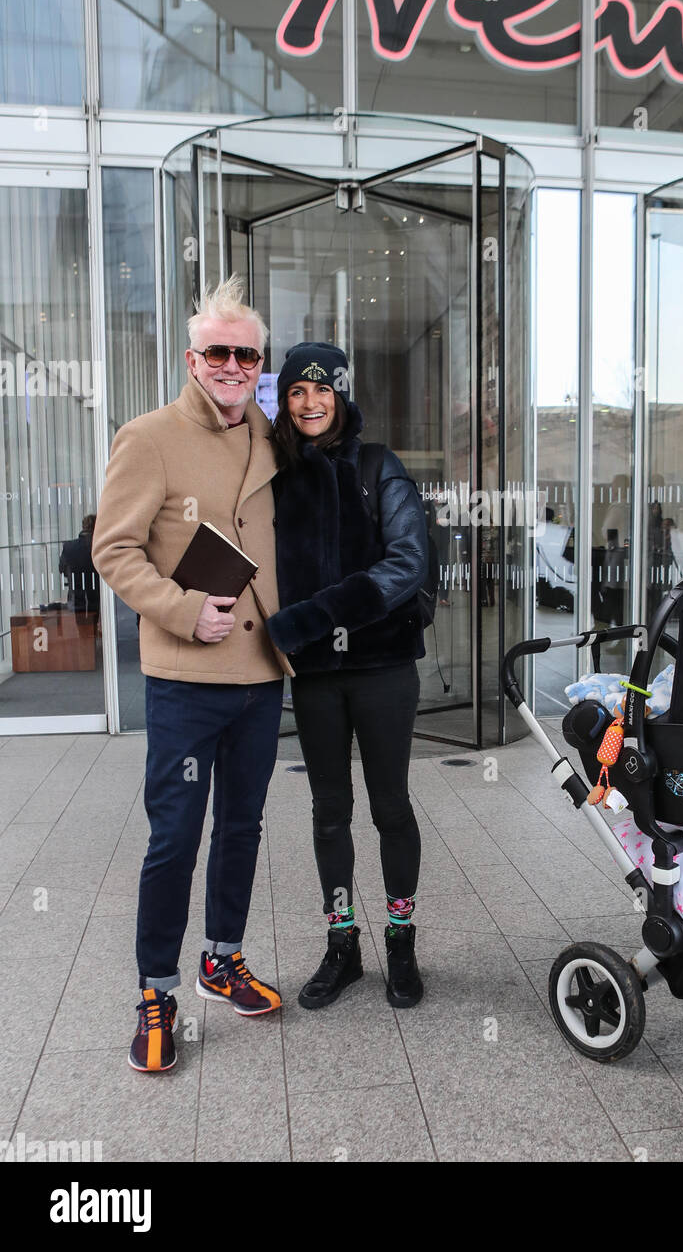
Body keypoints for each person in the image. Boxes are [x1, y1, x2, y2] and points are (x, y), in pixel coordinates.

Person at [91, 276, 291, 1074]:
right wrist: (179, 609)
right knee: (174, 838)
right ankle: (155, 991)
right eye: (219, 351)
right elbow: (114, 549)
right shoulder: (147, 436)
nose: (234, 364)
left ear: (258, 361)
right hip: (184, 676)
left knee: (242, 826)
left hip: (261, 672)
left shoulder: (272, 437)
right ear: (193, 357)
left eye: (247, 353)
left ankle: (222, 959)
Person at [263, 344, 429, 1011]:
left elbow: (408, 561)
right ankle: (342, 944)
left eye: (320, 391)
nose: (308, 404)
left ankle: (400, 938)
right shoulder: (276, 472)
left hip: (384, 666)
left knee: (391, 807)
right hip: (316, 675)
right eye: (296, 393)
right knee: (329, 812)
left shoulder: (376, 465)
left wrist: (315, 615)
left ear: (340, 395)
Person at [59, 513, 100, 615]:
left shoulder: (69, 546)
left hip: (77, 598)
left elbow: (62, 569)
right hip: (99, 598)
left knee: (82, 629)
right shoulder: (99, 545)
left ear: (83, 526)